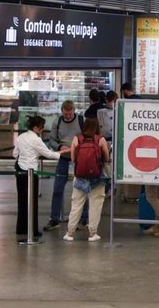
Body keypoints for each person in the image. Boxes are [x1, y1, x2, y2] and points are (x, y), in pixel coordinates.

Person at [13, 116, 67, 241]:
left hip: (20, 170)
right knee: (32, 202)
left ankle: (21, 228)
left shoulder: (21, 137)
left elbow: (14, 154)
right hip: (31, 171)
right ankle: (33, 230)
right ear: (36, 127)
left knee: (21, 200)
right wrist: (62, 153)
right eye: (42, 127)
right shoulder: (36, 139)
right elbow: (48, 154)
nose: (42, 130)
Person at [62, 118, 109, 242]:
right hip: (97, 177)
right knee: (95, 204)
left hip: (80, 176)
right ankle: (93, 234)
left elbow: (73, 158)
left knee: (76, 204)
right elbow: (106, 158)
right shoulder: (101, 139)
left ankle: (70, 233)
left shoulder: (77, 138)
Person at [44, 101, 88, 231]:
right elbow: (52, 139)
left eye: (70, 113)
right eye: (66, 113)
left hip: (79, 159)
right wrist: (59, 146)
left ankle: (84, 218)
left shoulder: (81, 120)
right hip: (63, 159)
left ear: (74, 110)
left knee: (82, 189)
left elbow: (87, 136)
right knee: (57, 189)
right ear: (62, 111)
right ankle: (54, 218)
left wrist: (78, 147)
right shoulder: (57, 122)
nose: (68, 116)